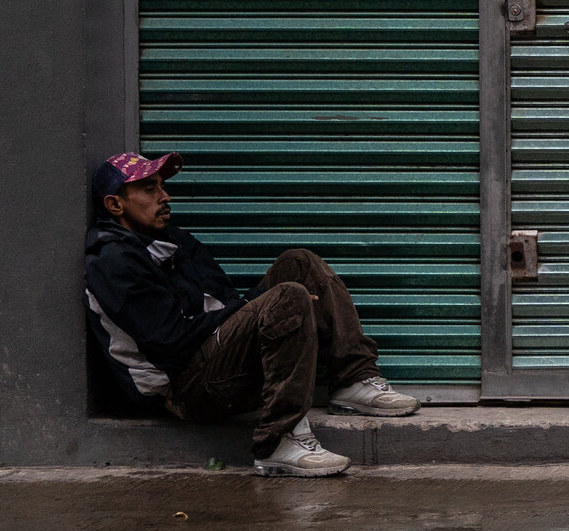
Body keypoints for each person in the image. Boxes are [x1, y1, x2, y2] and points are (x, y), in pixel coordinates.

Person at [83, 152, 420, 477]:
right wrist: (256, 308)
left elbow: (225, 299)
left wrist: (249, 312)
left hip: (214, 362)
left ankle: (351, 379)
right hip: (182, 390)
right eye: (149, 188)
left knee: (299, 263)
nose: (164, 196)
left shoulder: (174, 241)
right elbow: (170, 341)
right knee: (287, 297)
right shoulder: (113, 262)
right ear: (115, 204)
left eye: (161, 186)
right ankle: (278, 442)